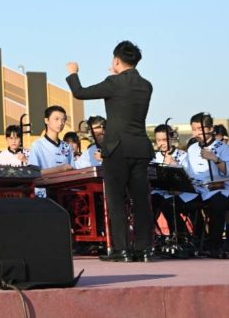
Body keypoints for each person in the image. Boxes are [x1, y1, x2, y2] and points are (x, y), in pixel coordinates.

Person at [67, 41, 154, 262]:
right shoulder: (146, 85)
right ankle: (144, 249)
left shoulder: (113, 82)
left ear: (116, 60)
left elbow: (79, 92)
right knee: (141, 201)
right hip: (140, 148)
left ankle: (122, 249)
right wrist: (116, 74)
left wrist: (74, 73)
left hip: (117, 149)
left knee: (116, 201)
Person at [183, 112, 229, 258]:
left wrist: (215, 159)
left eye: (200, 129)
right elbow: (187, 171)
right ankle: (191, 241)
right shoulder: (192, 148)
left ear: (210, 129)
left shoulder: (222, 147)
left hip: (219, 190)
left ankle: (215, 245)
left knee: (217, 203)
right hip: (198, 189)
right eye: (194, 129)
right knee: (175, 202)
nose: (196, 133)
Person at [27, 106, 75, 197]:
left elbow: (73, 171)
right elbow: (33, 173)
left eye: (63, 120)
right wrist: (60, 169)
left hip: (64, 193)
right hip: (44, 194)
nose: (60, 123)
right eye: (56, 119)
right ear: (47, 120)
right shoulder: (37, 145)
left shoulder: (67, 146)